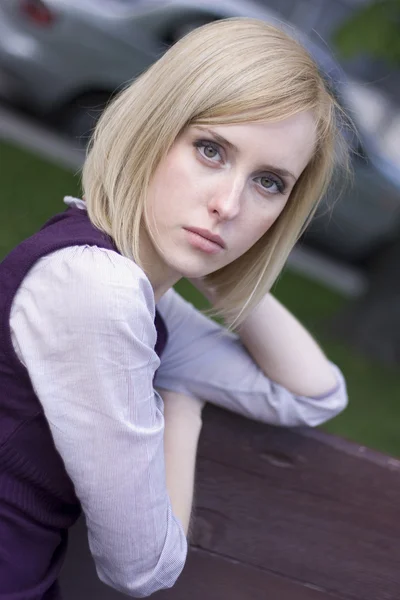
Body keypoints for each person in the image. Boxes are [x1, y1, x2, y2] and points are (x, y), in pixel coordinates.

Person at [0, 17, 350, 599]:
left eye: (269, 183)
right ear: (152, 129)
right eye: (211, 150)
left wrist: (223, 275)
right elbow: (142, 568)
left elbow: (312, 395)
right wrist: (181, 404)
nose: (229, 204)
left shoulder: (137, 292)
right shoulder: (96, 289)